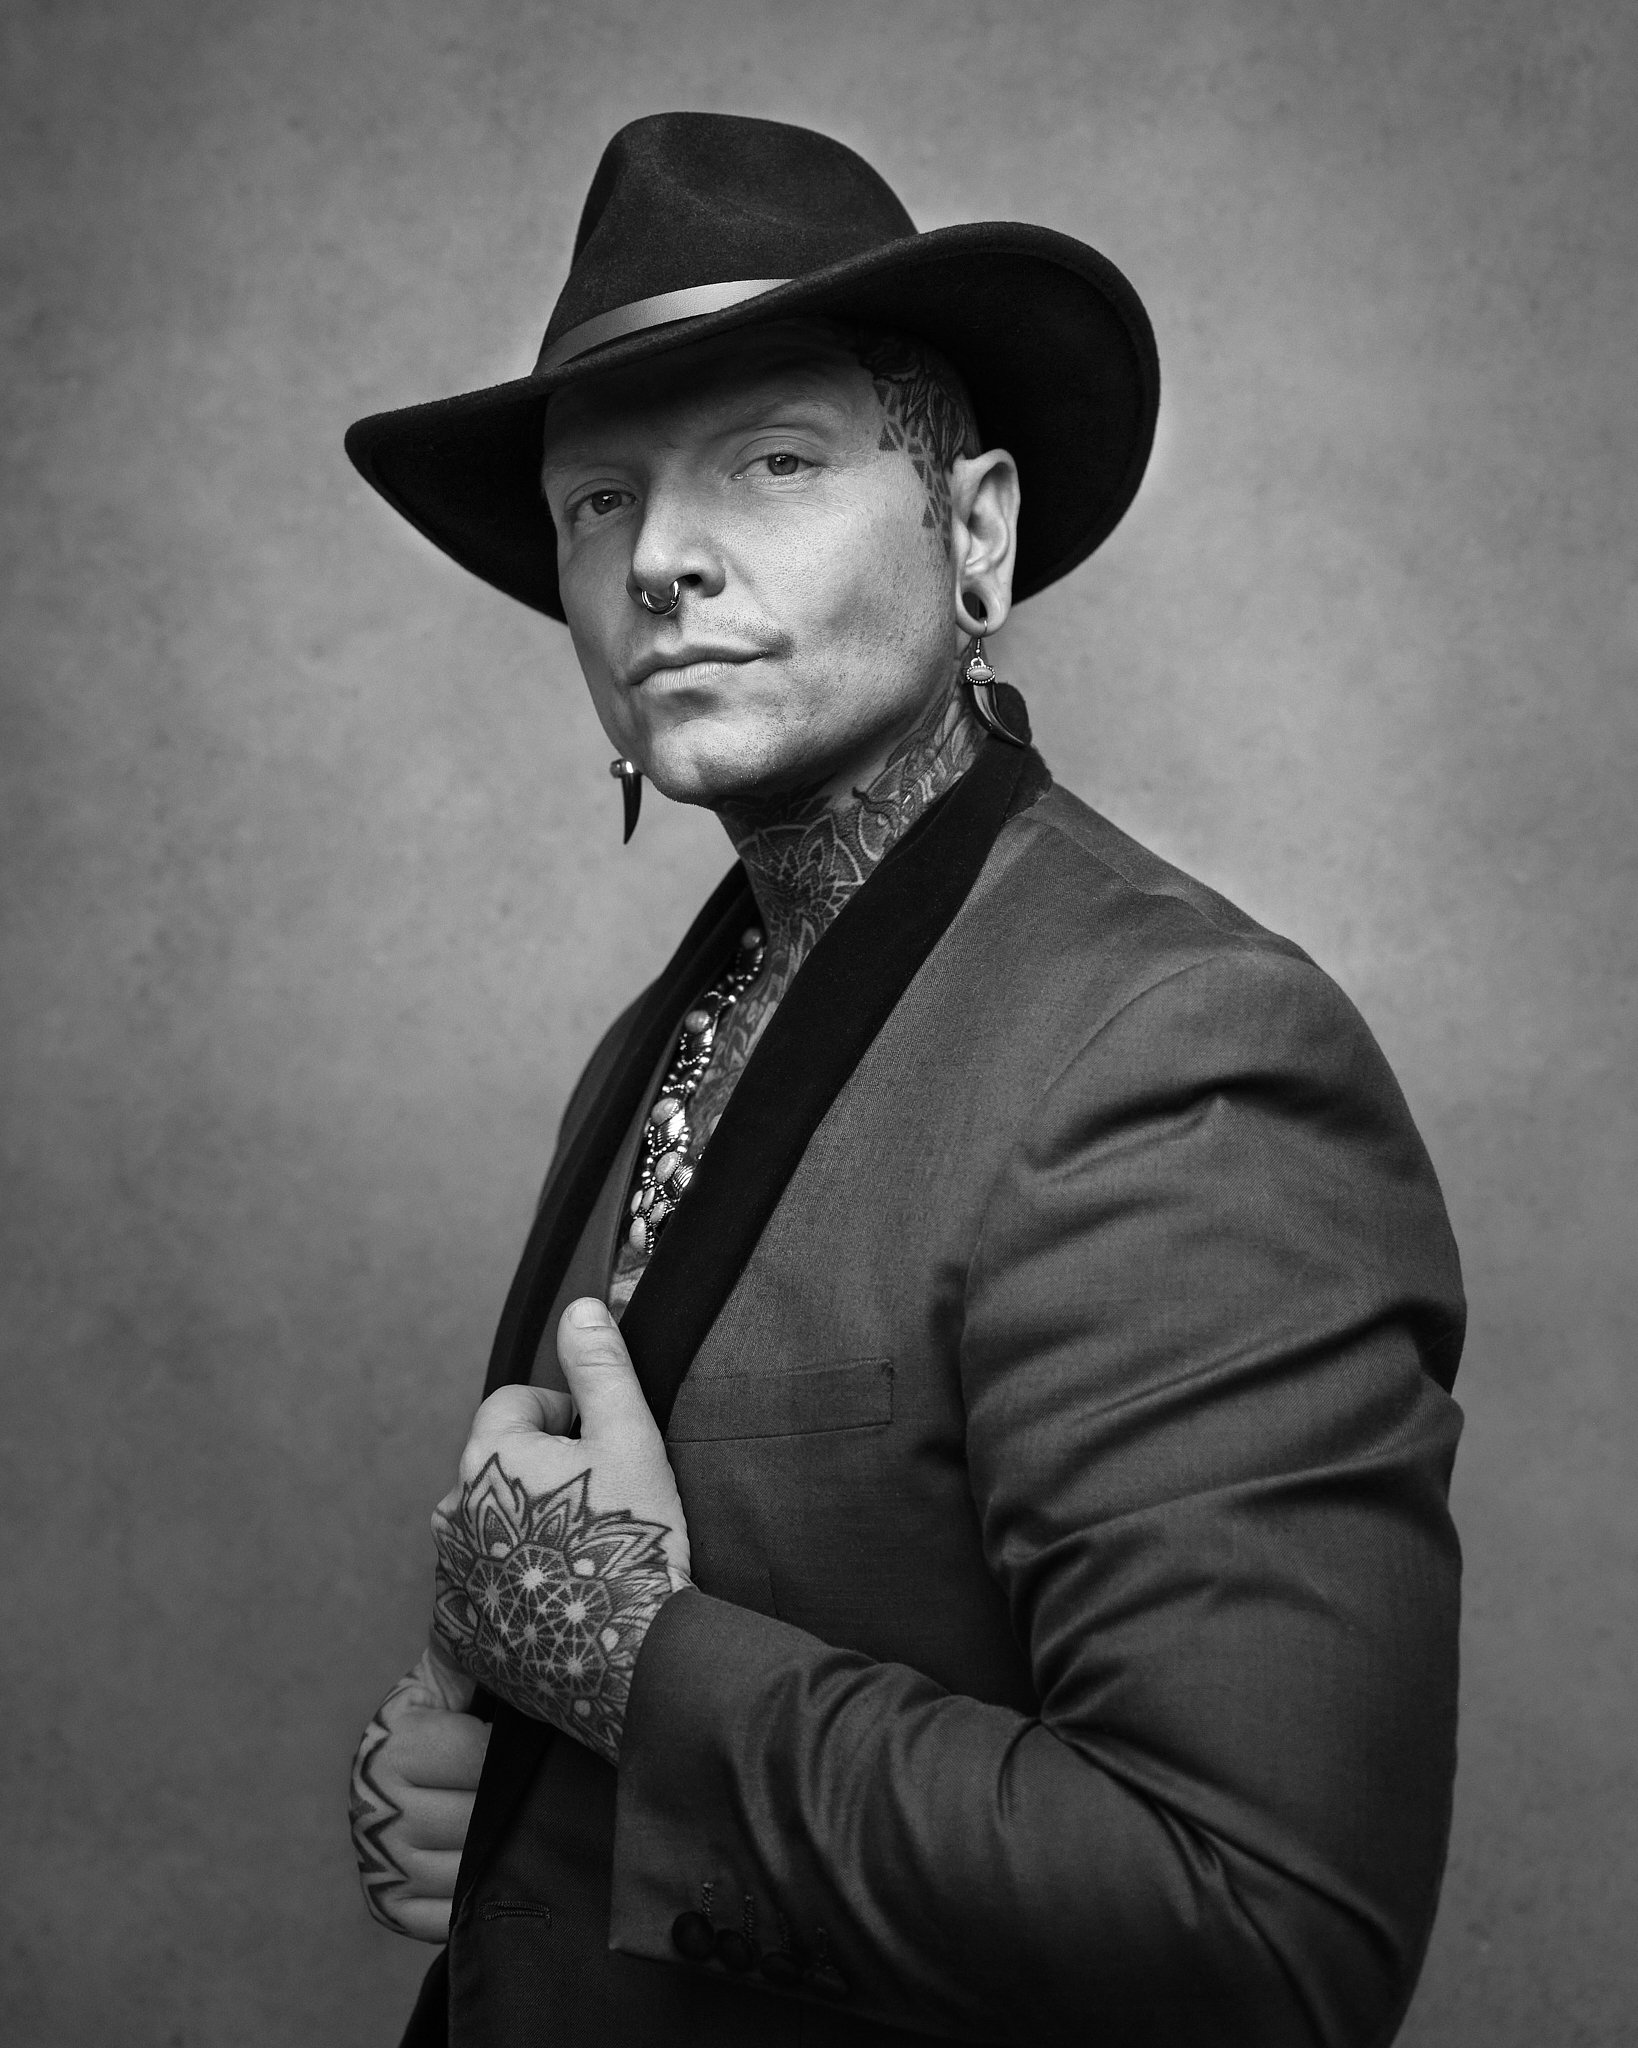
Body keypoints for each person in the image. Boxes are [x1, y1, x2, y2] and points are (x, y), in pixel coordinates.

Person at [344, 113, 1464, 2048]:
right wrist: (505, 1803)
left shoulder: (1181, 1048)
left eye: (772, 462)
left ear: (975, 533)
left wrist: (623, 1667)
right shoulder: (668, 1025)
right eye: (596, 500)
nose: (660, 560)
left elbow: (1261, 1945)